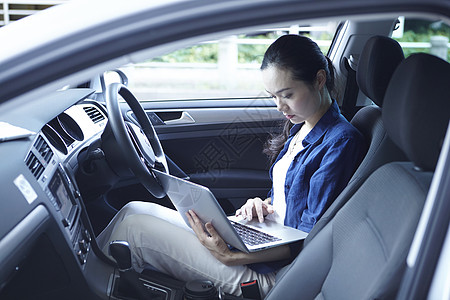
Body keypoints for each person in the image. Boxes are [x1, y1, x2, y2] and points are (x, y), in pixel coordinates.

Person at [97, 34, 366, 297]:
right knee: (132, 210)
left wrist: (233, 256)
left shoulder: (340, 141)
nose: (279, 107)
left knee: (135, 230)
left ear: (319, 80)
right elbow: (289, 201)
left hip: (276, 274)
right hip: (262, 244)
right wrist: (263, 206)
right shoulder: (302, 127)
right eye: (273, 96)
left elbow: (311, 237)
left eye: (287, 94)